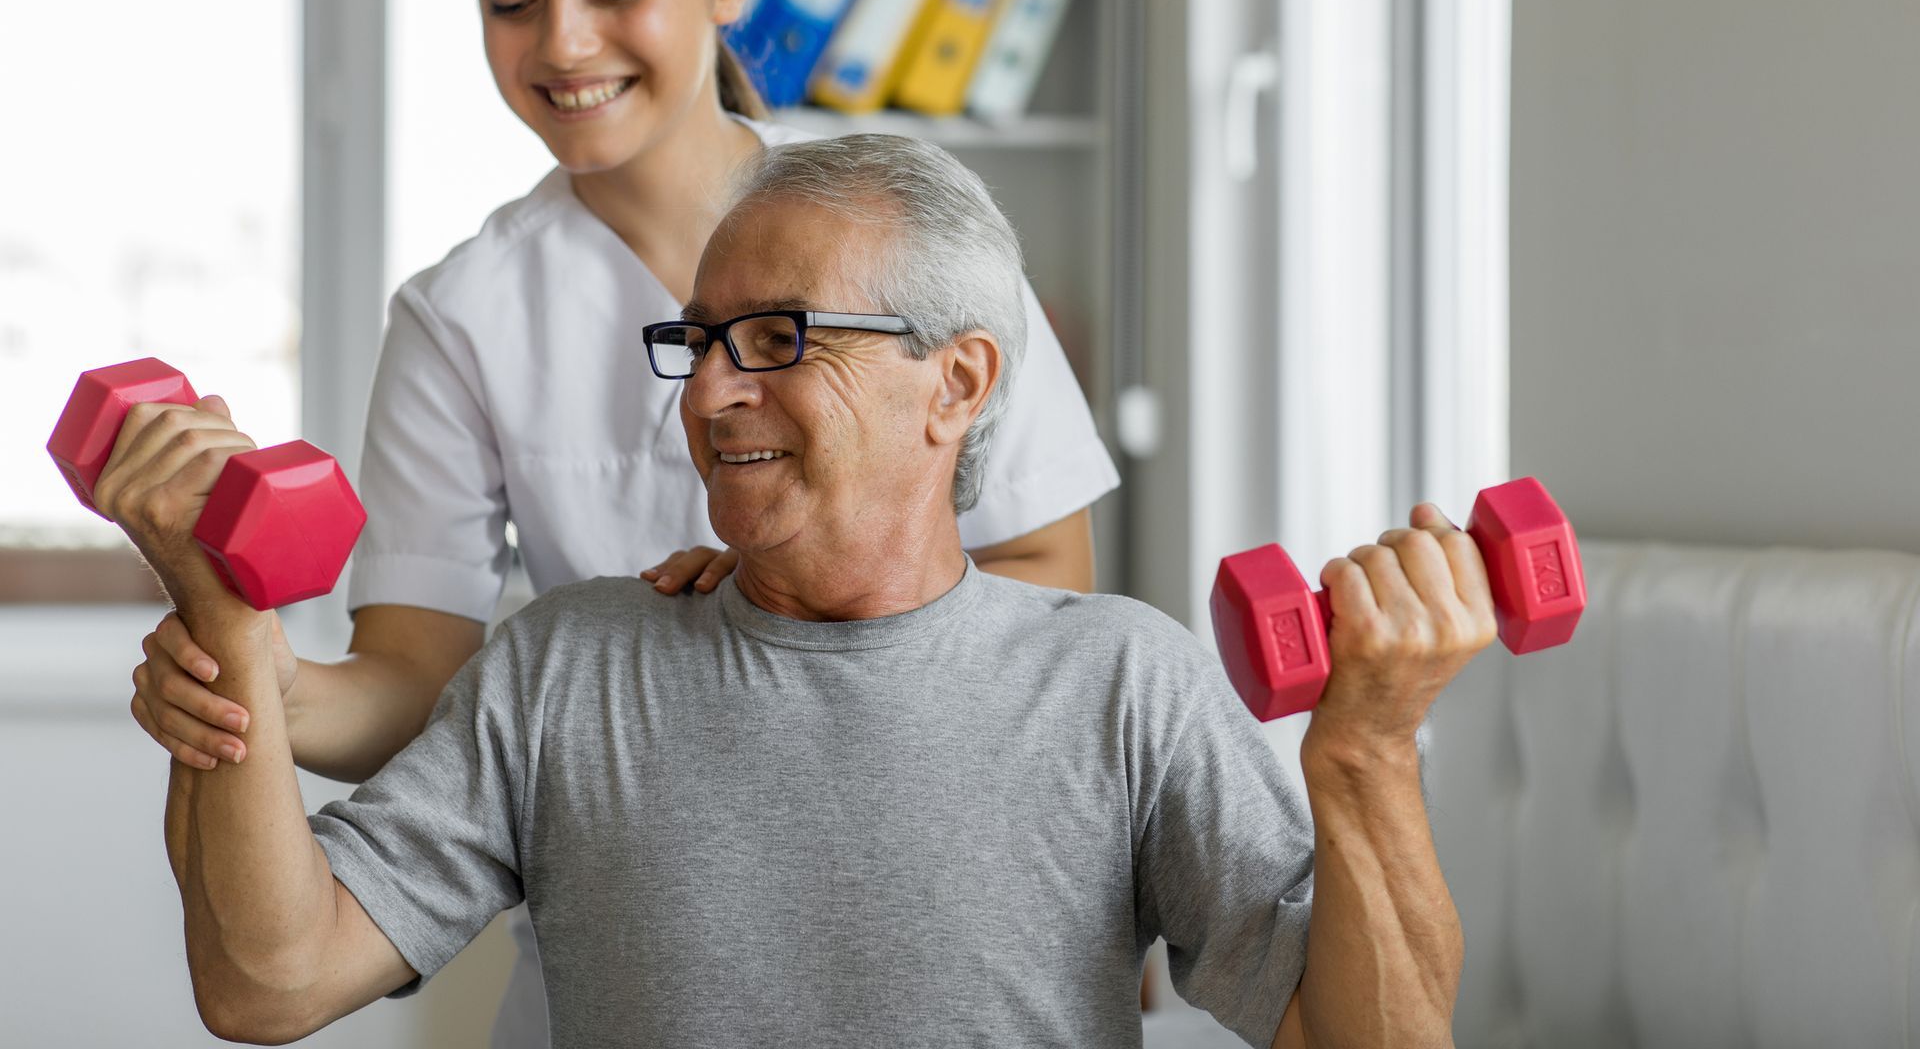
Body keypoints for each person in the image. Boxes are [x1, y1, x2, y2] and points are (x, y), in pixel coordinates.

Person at [95, 134, 1487, 1048]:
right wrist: (225, 629)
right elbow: (268, 979)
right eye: (697, 342)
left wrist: (1361, 758)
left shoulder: (1119, 680)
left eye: (777, 339)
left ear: (957, 383)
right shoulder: (571, 663)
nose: (707, 392)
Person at [123, 0, 1117, 1042]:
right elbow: (417, 678)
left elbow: (1047, 577)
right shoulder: (464, 312)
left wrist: (804, 583)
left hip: (919, 861)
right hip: (633, 904)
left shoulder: (900, 228)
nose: (564, 44)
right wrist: (263, 685)